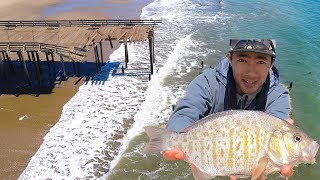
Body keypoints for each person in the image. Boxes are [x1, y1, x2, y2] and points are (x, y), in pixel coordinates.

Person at [163, 39, 294, 179]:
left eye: (261, 62)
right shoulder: (207, 82)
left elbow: (276, 127)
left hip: (244, 167)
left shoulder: (278, 96)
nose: (251, 73)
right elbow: (185, 113)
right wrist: (175, 138)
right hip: (208, 159)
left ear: (271, 64)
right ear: (230, 58)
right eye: (242, 60)